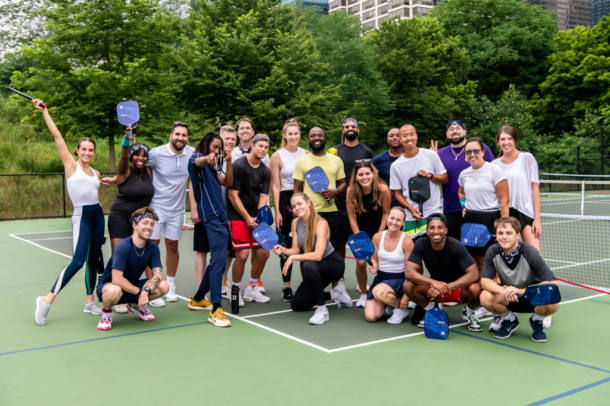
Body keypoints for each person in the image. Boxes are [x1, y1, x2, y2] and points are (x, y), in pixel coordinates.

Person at [102, 122, 195, 306]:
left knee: (172, 246)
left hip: (176, 209)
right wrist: (116, 179)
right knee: (147, 247)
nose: (180, 138)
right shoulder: (157, 153)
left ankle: (167, 286)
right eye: (177, 134)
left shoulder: (191, 153)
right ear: (170, 135)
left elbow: (137, 164)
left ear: (187, 138)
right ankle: (142, 288)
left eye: (184, 135)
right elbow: (129, 161)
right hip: (151, 209)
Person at [32, 98, 104, 326]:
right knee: (77, 262)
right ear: (77, 150)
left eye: (91, 150)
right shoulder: (70, 165)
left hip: (98, 216)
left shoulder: (96, 171)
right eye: (84, 149)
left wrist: (107, 181)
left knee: (94, 259)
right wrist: (44, 110)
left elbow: (94, 191)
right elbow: (57, 136)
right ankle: (46, 301)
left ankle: (89, 302)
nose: (87, 152)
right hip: (82, 216)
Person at [272, 193, 352, 325]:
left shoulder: (321, 223)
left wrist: (292, 258)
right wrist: (284, 250)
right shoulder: (295, 222)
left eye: (299, 204)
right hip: (315, 267)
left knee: (308, 265)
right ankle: (336, 294)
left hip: (333, 265)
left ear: (308, 203)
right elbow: (296, 249)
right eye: (293, 206)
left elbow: (318, 255)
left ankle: (322, 309)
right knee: (297, 305)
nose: (297, 208)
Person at [480, 217, 559, 342]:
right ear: (496, 236)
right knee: (485, 297)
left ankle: (536, 322)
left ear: (518, 235)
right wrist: (503, 291)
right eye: (500, 233)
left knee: (553, 301)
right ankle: (509, 320)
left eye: (509, 233)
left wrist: (521, 291)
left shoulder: (530, 251)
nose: (504, 237)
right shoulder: (493, 251)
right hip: (508, 297)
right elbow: (485, 281)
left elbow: (553, 283)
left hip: (531, 297)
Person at [403, 213, 483, 332]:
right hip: (433, 289)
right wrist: (434, 282)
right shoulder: (421, 243)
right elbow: (409, 273)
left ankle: (469, 313)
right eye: (432, 227)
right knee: (407, 285)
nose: (436, 231)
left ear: (446, 230)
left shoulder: (456, 245)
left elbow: (474, 274)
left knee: (476, 288)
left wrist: (448, 286)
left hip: (457, 289)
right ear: (427, 231)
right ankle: (431, 311)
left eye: (440, 227)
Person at [96, 207, 170, 330]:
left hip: (132, 287)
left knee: (164, 286)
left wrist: (146, 291)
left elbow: (158, 276)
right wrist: (140, 292)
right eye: (145, 223)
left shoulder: (153, 248)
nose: (149, 227)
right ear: (135, 225)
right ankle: (107, 312)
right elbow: (117, 279)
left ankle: (137, 305)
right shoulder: (123, 246)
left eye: (151, 224)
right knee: (114, 290)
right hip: (109, 287)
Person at [106, 129, 155, 315]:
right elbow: (123, 156)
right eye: (137, 155)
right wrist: (126, 140)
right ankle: (118, 297)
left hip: (138, 222)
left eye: (144, 155)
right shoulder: (124, 170)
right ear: (132, 157)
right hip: (118, 217)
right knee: (120, 258)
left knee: (139, 258)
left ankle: (134, 296)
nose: (141, 158)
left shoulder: (149, 171)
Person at [187, 132, 233, 327]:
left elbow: (229, 182)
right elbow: (199, 162)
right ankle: (216, 309)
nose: (217, 151)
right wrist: (207, 157)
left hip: (220, 217)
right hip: (213, 218)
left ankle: (198, 298)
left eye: (219, 148)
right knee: (219, 262)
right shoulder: (196, 158)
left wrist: (228, 161)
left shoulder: (214, 171)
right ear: (206, 145)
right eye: (214, 146)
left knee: (217, 259)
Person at [227, 134, 272, 305]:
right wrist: (247, 217)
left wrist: (259, 219)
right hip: (237, 216)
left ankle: (251, 289)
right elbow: (233, 196)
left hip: (256, 217)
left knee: (263, 252)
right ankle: (236, 290)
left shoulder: (265, 171)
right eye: (260, 146)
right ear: (252, 145)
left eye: (266, 147)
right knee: (243, 254)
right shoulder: (238, 166)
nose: (263, 149)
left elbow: (263, 198)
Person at [433, 119, 494, 240]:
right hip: (450, 209)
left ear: (465, 131)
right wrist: (431, 158)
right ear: (447, 134)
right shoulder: (439, 154)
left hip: (476, 209)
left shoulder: (480, 149)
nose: (455, 131)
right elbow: (434, 177)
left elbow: (494, 171)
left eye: (458, 128)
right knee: (455, 249)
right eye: (451, 129)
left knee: (475, 248)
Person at [458, 137, 509, 275]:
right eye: (468, 151)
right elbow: (461, 192)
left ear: (482, 151)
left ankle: (494, 293)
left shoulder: (495, 170)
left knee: (491, 261)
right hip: (470, 219)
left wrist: (503, 226)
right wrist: (464, 205)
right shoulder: (464, 174)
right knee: (474, 261)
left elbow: (504, 201)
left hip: (490, 219)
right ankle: (480, 293)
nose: (472, 154)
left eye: (475, 150)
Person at [270, 119, 307, 301]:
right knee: (286, 244)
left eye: (296, 133)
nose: (293, 136)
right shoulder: (277, 156)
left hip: (303, 201)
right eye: (289, 133)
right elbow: (275, 185)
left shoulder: (306, 154)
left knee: (304, 242)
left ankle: (308, 284)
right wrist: (277, 210)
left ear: (300, 135)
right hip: (285, 201)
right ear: (285, 135)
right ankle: (286, 286)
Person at [389, 124, 448, 240]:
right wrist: (410, 209)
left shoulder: (431, 155)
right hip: (412, 217)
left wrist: (429, 175)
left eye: (411, 134)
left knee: (434, 252)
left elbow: (445, 179)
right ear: (400, 140)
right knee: (412, 254)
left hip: (434, 212)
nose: (409, 138)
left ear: (416, 136)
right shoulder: (395, 166)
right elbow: (396, 193)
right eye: (405, 136)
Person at [346, 161, 391, 307]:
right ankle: (363, 295)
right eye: (360, 174)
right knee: (361, 262)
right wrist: (360, 239)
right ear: (356, 176)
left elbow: (386, 214)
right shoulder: (351, 190)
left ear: (373, 174)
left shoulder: (383, 189)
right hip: (360, 228)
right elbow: (352, 218)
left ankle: (386, 292)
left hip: (380, 227)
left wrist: (379, 236)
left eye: (367, 173)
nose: (364, 177)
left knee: (380, 260)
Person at [293, 127, 346, 250]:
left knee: (331, 249)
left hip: (331, 212)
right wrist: (297, 210)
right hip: (309, 212)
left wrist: (335, 191)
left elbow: (343, 183)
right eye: (313, 136)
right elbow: (297, 189)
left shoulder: (336, 160)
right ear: (309, 139)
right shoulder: (302, 161)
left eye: (320, 135)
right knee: (307, 250)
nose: (316, 138)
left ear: (324, 138)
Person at [492, 126, 542, 251]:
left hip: (525, 213)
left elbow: (535, 189)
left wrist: (537, 219)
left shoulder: (527, 158)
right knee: (508, 258)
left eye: (509, 138)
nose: (506, 142)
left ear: (515, 140)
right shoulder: (494, 165)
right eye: (502, 139)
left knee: (535, 256)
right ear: (498, 142)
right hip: (504, 214)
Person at [364, 207, 414, 324]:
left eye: (398, 220)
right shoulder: (377, 237)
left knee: (378, 292)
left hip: (399, 280)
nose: (394, 222)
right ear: (387, 218)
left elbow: (412, 271)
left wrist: (406, 296)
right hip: (381, 279)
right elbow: (374, 258)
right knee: (371, 317)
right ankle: (391, 303)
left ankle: (401, 308)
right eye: (392, 218)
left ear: (402, 223)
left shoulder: (407, 241)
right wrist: (373, 266)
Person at [334, 117, 375, 259]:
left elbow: (371, 176)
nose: (350, 128)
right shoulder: (334, 152)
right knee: (339, 241)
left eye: (353, 126)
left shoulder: (367, 152)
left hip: (361, 203)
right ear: (343, 130)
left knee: (361, 241)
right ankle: (340, 279)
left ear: (358, 129)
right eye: (347, 126)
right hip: (340, 202)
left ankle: (361, 281)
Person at [371, 127, 402, 206]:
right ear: (387, 139)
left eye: (398, 135)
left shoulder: (410, 156)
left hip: (411, 201)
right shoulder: (378, 160)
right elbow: (370, 177)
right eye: (391, 136)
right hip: (389, 203)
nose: (394, 138)